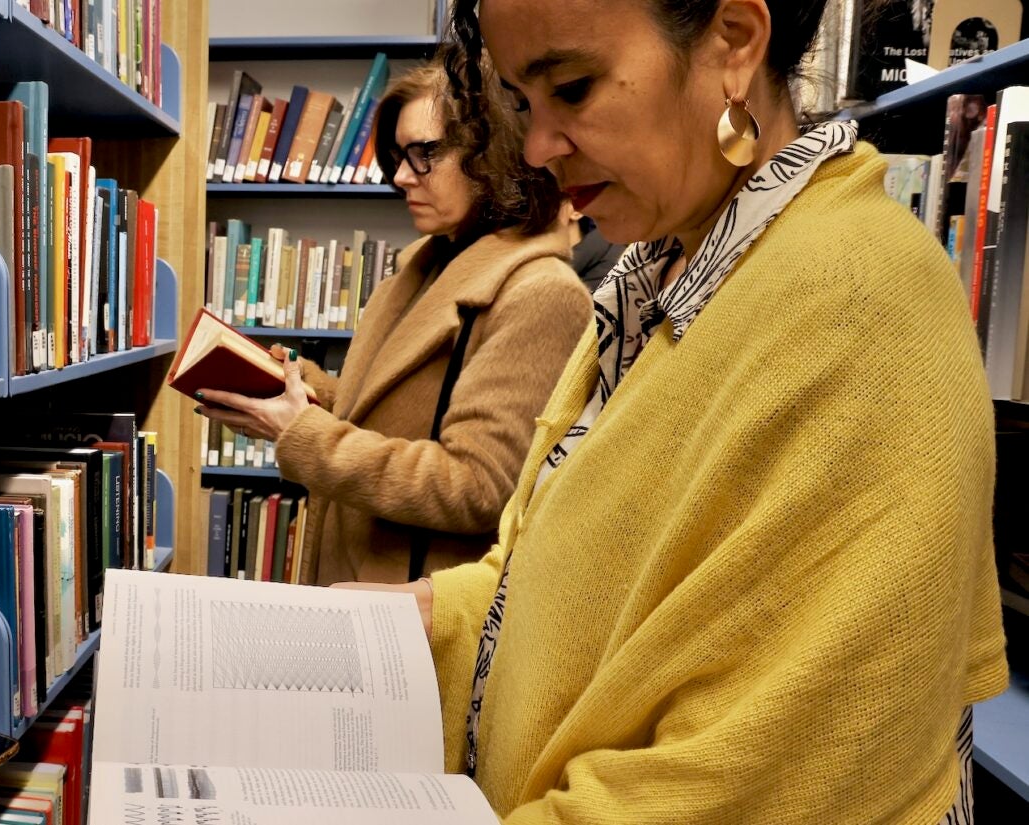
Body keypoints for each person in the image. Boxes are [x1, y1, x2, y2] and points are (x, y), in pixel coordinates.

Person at [343, 0, 1009, 821]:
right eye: (522, 104)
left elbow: (754, 773)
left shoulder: (858, 301)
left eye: (574, 88)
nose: (541, 147)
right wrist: (422, 616)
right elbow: (558, 582)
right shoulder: (654, 275)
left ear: (732, 43)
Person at [195, 63, 592, 585]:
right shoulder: (422, 269)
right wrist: (301, 387)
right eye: (401, 156)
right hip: (358, 578)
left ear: (494, 154)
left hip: (419, 610)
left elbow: (479, 487)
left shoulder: (542, 293)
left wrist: (306, 435)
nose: (403, 176)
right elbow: (389, 417)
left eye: (425, 153)